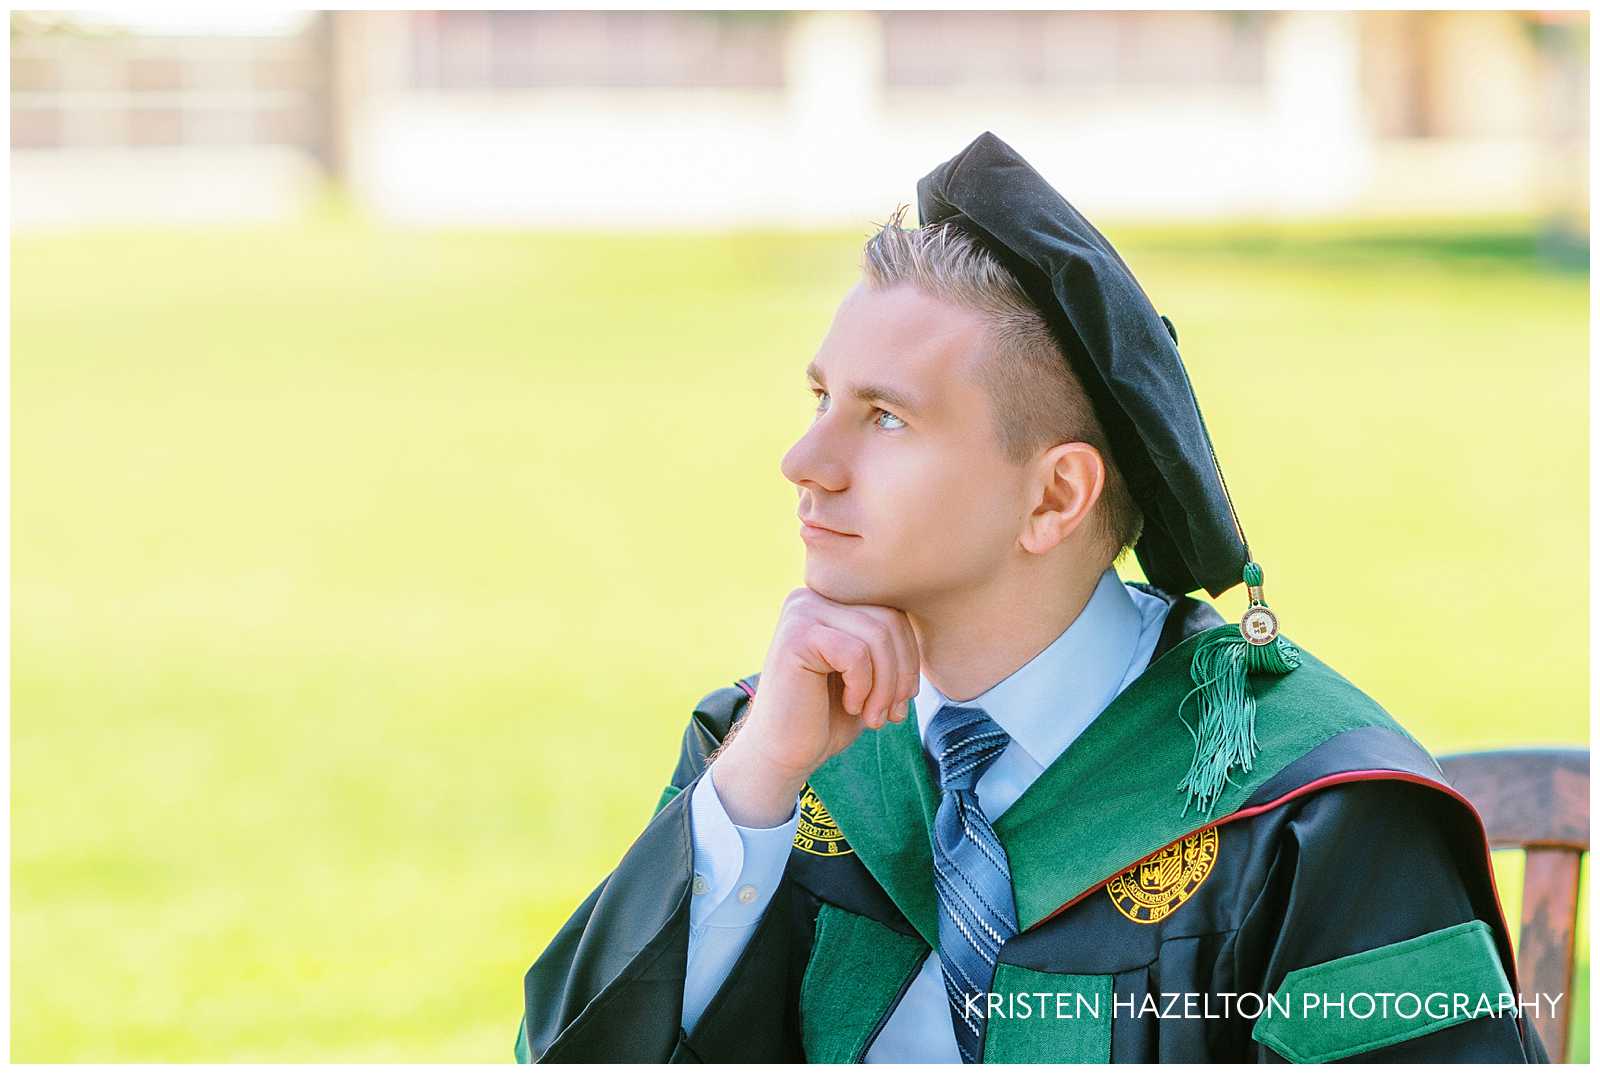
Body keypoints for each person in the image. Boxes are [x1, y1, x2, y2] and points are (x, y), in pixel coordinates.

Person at [512, 132, 1550, 1063]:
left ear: (1053, 496)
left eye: (883, 419)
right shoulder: (770, 751)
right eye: (821, 397)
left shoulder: (1316, 818)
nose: (802, 460)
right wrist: (752, 791)